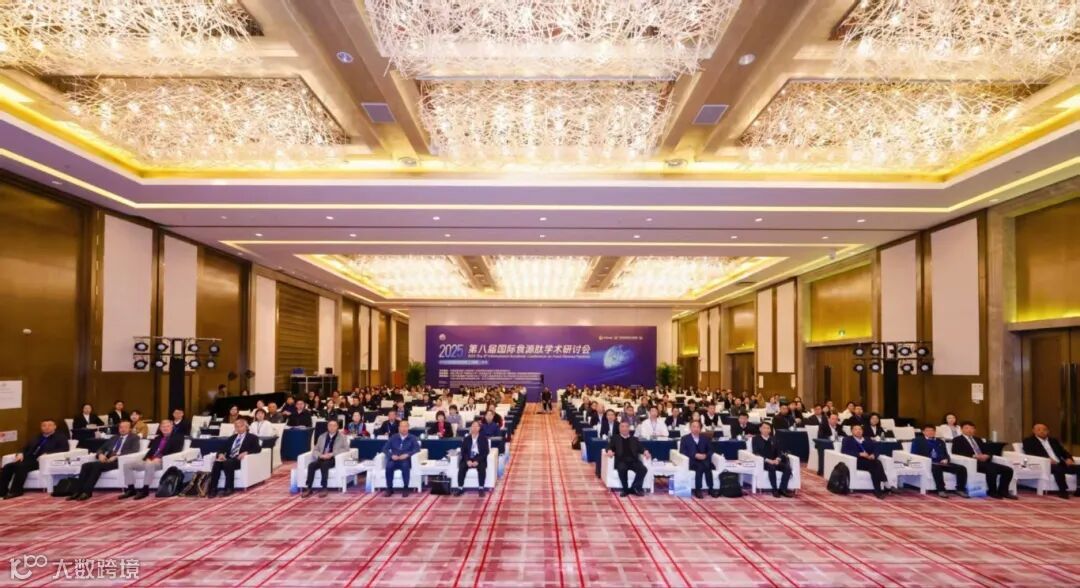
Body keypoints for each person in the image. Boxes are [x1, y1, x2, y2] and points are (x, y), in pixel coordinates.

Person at [68, 420, 141, 501]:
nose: (122, 429)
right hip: (107, 460)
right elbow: (101, 448)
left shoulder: (134, 438)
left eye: (125, 427)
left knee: (97, 466)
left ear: (130, 429)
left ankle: (87, 492)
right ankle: (78, 491)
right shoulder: (114, 438)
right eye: (121, 427)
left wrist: (117, 456)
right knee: (85, 465)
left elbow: (134, 451)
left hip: (120, 461)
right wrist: (100, 454)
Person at [1, 420, 69, 499]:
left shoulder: (60, 437)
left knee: (21, 467)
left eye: (49, 425)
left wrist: (48, 453)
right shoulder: (37, 437)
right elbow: (25, 447)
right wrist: (20, 453)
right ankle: (2, 491)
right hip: (29, 458)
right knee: (7, 466)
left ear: (55, 427)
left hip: (41, 461)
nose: (47, 427)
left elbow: (64, 449)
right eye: (44, 425)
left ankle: (16, 491)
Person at [951, 421, 1015, 500]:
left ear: (974, 430)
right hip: (973, 463)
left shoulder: (978, 439)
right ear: (961, 429)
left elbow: (987, 450)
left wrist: (987, 456)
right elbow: (956, 452)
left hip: (985, 462)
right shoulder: (957, 440)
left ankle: (1003, 491)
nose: (969, 430)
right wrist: (974, 456)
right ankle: (992, 491)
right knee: (992, 469)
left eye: (972, 428)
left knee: (1008, 470)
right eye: (966, 428)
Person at [121, 420, 184, 500]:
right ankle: (131, 489)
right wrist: (146, 458)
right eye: (163, 427)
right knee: (127, 465)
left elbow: (176, 451)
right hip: (151, 460)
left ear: (172, 427)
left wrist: (160, 458)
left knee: (149, 464)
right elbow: (151, 451)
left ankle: (145, 490)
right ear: (160, 428)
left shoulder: (178, 437)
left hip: (163, 461)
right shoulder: (158, 438)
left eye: (168, 426)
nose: (165, 428)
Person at [1022, 423, 1079, 499]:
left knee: (1078, 468)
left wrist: (1069, 458)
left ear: (1048, 431)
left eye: (1044, 429)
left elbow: (1064, 452)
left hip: (1060, 463)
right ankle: (1063, 490)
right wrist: (1047, 459)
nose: (1042, 431)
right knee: (1058, 469)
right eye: (1038, 429)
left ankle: (1078, 489)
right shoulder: (1028, 441)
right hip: (1045, 464)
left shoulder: (1053, 441)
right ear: (1033, 431)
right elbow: (1030, 453)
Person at [910, 424, 968, 498]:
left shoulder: (940, 441)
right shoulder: (918, 441)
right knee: (937, 468)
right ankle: (941, 490)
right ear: (923, 432)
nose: (930, 432)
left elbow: (946, 454)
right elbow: (914, 453)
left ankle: (960, 489)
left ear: (935, 432)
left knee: (962, 468)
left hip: (942, 462)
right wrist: (926, 460)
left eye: (932, 430)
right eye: (928, 430)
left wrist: (946, 459)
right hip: (929, 463)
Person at [207, 417, 261, 498]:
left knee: (228, 463)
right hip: (228, 459)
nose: (239, 428)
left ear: (246, 427)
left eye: (241, 426)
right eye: (237, 427)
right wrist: (221, 454)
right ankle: (213, 489)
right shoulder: (232, 438)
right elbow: (222, 448)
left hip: (240, 460)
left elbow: (258, 449)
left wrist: (246, 452)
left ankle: (229, 488)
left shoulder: (252, 437)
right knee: (217, 463)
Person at [303, 420, 348, 497]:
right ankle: (309, 488)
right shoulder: (322, 436)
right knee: (311, 465)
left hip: (333, 459)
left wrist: (332, 454)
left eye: (334, 426)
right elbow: (315, 449)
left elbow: (346, 449)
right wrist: (320, 455)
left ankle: (324, 487)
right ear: (327, 427)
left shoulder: (342, 437)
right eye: (330, 425)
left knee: (324, 465)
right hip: (322, 457)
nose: (332, 427)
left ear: (337, 427)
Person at [841, 424, 888, 499]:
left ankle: (879, 489)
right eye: (856, 429)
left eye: (860, 429)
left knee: (876, 464)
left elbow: (877, 448)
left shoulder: (867, 439)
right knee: (877, 464)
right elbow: (844, 451)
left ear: (862, 431)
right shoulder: (847, 440)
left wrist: (874, 455)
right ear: (852, 431)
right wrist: (859, 454)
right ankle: (883, 486)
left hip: (869, 460)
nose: (858, 431)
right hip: (856, 461)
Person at [607, 421, 651, 497]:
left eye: (626, 427)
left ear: (629, 428)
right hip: (621, 461)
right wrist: (609, 450)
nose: (624, 429)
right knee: (622, 468)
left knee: (643, 469)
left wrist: (645, 451)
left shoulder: (634, 439)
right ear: (619, 428)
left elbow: (641, 448)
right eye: (622, 427)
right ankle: (625, 489)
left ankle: (634, 487)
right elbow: (609, 447)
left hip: (633, 461)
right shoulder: (615, 438)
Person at [752, 422, 792, 498]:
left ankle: (783, 489)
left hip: (775, 461)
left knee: (787, 468)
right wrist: (768, 460)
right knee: (771, 467)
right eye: (764, 428)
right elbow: (756, 452)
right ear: (760, 429)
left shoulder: (774, 439)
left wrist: (778, 459)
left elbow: (779, 451)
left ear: (770, 430)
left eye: (768, 428)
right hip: (763, 462)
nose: (766, 430)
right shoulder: (755, 439)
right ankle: (774, 489)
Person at [382, 420, 420, 497]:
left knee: (405, 466)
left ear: (408, 428)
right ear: (399, 428)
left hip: (405, 459)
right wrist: (391, 455)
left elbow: (417, 449)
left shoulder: (412, 438)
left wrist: (407, 454)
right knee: (389, 466)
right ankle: (389, 488)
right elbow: (384, 449)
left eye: (405, 426)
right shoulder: (393, 437)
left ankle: (406, 488)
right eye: (402, 426)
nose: (404, 428)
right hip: (394, 459)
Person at [680, 421, 718, 498]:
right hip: (692, 461)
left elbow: (711, 450)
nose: (696, 429)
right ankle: (701, 489)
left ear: (700, 429)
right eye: (694, 427)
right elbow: (682, 452)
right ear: (690, 428)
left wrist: (705, 455)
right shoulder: (685, 439)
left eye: (698, 427)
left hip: (704, 459)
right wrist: (695, 455)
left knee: (706, 466)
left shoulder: (705, 438)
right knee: (702, 467)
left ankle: (708, 489)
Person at [454, 421, 489, 496]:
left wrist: (477, 460)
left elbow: (486, 452)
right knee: (462, 467)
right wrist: (467, 460)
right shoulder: (467, 438)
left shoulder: (483, 439)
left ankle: (481, 488)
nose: (474, 428)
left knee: (482, 468)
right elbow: (463, 451)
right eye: (473, 426)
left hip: (479, 458)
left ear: (479, 428)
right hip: (468, 458)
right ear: (471, 428)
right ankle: (460, 488)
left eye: (476, 426)